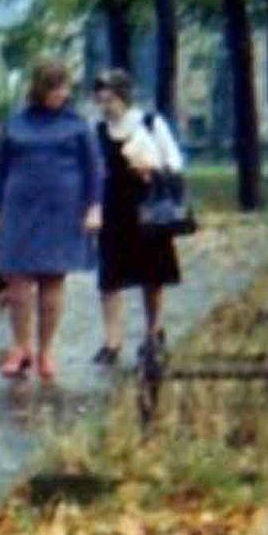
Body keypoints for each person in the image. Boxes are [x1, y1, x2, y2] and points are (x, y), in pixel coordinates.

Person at [0, 58, 103, 383]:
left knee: (52, 279)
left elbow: (94, 170)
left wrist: (94, 208)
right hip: (19, 208)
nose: (59, 94)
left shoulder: (78, 125)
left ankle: (46, 350)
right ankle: (20, 348)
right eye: (53, 88)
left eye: (63, 88)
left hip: (62, 210)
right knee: (18, 281)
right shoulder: (14, 124)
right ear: (39, 89)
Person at [91, 68, 183, 364]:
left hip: (148, 208)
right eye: (101, 101)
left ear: (123, 97)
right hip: (113, 209)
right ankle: (112, 340)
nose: (106, 107)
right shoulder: (99, 130)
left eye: (110, 100)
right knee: (110, 277)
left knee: (151, 274)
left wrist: (151, 167)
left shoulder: (150, 123)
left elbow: (174, 161)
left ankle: (154, 331)